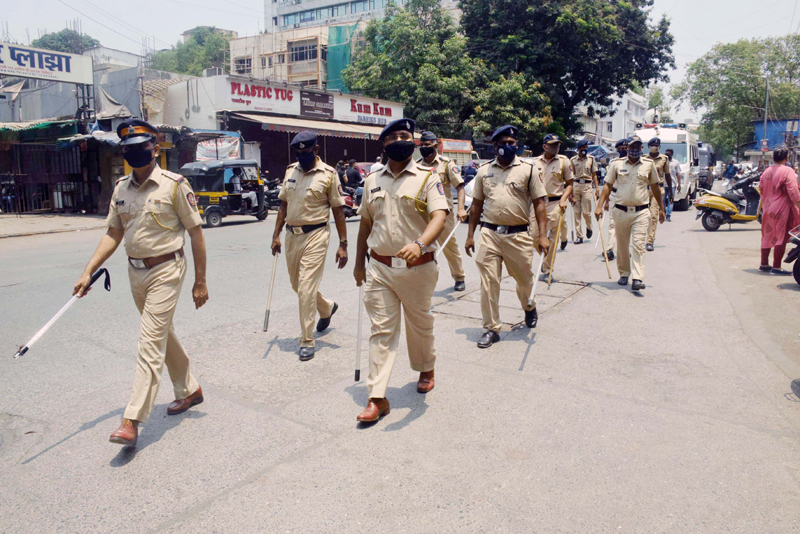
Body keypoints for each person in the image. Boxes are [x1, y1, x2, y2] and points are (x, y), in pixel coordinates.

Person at [73, 119, 208, 447]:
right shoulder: (121, 189)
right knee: (162, 333)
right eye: (128, 151)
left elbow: (196, 233)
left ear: (155, 149)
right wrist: (89, 269)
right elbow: (113, 233)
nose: (134, 155)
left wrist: (200, 281)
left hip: (167, 269)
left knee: (149, 340)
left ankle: (131, 419)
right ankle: (190, 389)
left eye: (141, 149)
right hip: (135, 273)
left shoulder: (174, 185)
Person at [353, 119, 448, 423]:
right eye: (392, 137)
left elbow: (439, 216)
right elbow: (366, 223)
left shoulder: (427, 178)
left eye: (404, 136)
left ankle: (425, 367)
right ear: (383, 144)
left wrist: (420, 244)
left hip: (417, 268)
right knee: (381, 329)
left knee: (419, 324)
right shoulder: (372, 181)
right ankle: (377, 398)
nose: (398, 140)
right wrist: (358, 263)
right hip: (380, 267)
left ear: (414, 142)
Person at [464, 125, 549, 348]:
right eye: (503, 143)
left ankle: (529, 306)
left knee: (524, 280)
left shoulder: (528, 170)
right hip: (490, 233)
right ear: (495, 146)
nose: (508, 146)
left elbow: (539, 204)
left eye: (512, 143)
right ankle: (491, 328)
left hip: (519, 235)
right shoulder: (484, 171)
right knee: (489, 282)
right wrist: (470, 235)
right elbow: (476, 205)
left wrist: (542, 235)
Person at [271, 131, 348, 361]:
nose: (302, 156)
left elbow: (338, 210)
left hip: (316, 234)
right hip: (291, 236)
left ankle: (306, 339)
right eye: (298, 152)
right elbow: (283, 206)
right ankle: (326, 307)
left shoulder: (329, 174)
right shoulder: (290, 171)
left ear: (316, 150)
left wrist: (343, 244)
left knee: (305, 287)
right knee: (298, 285)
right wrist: (275, 235)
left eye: (306, 152)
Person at [595, 135, 664, 292]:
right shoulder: (616, 164)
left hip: (641, 212)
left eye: (638, 147)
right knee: (622, 245)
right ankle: (624, 273)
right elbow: (607, 186)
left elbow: (655, 187)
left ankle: (637, 278)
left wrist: (661, 208)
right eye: (631, 147)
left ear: (641, 149)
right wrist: (599, 205)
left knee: (639, 245)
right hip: (620, 211)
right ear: (627, 149)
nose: (634, 150)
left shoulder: (648, 165)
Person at [417, 131, 468, 291]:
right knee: (422, 246)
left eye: (428, 145)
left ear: (436, 145)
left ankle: (459, 277)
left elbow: (460, 187)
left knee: (449, 247)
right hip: (423, 214)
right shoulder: (418, 165)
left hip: (444, 214)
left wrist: (461, 208)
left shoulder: (446, 164)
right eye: (422, 145)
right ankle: (423, 280)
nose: (424, 147)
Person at [530, 133, 574, 280]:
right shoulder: (535, 163)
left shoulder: (563, 161)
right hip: (538, 203)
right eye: (553, 145)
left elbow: (570, 184)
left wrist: (564, 199)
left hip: (556, 203)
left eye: (557, 145)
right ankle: (545, 258)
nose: (556, 147)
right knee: (534, 236)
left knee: (553, 237)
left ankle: (548, 269)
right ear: (545, 146)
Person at [758, 147, 800, 275]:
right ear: (786, 157)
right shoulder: (788, 171)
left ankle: (764, 264)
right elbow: (793, 192)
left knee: (767, 235)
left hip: (767, 207)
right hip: (782, 208)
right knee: (780, 237)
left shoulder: (766, 171)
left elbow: (761, 188)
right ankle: (776, 267)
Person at [570, 139, 600, 244]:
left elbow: (594, 175)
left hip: (587, 185)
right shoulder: (573, 160)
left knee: (587, 212)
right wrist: (570, 193)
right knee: (576, 212)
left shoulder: (591, 159)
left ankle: (589, 227)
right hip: (576, 185)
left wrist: (597, 189)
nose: (584, 149)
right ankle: (579, 236)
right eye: (582, 147)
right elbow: (570, 176)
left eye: (586, 147)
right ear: (578, 149)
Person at [643, 138, 671, 251]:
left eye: (657, 145)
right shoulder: (643, 159)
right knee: (643, 215)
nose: (654, 147)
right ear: (649, 146)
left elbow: (667, 175)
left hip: (658, 189)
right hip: (645, 189)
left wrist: (671, 192)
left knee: (653, 215)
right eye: (652, 145)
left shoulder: (664, 159)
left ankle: (650, 241)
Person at [604, 138, 629, 261]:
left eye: (624, 149)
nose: (622, 151)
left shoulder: (634, 162)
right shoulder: (613, 163)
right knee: (612, 223)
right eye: (620, 149)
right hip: (615, 195)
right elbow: (609, 183)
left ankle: (624, 249)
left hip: (628, 196)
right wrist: (606, 201)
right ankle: (609, 249)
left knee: (625, 224)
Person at [664, 149, 683, 222]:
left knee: (670, 200)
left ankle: (668, 215)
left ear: (672, 154)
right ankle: (665, 211)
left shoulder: (675, 162)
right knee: (662, 200)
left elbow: (678, 174)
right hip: (663, 184)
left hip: (672, 185)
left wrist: (679, 184)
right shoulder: (662, 162)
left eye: (668, 154)